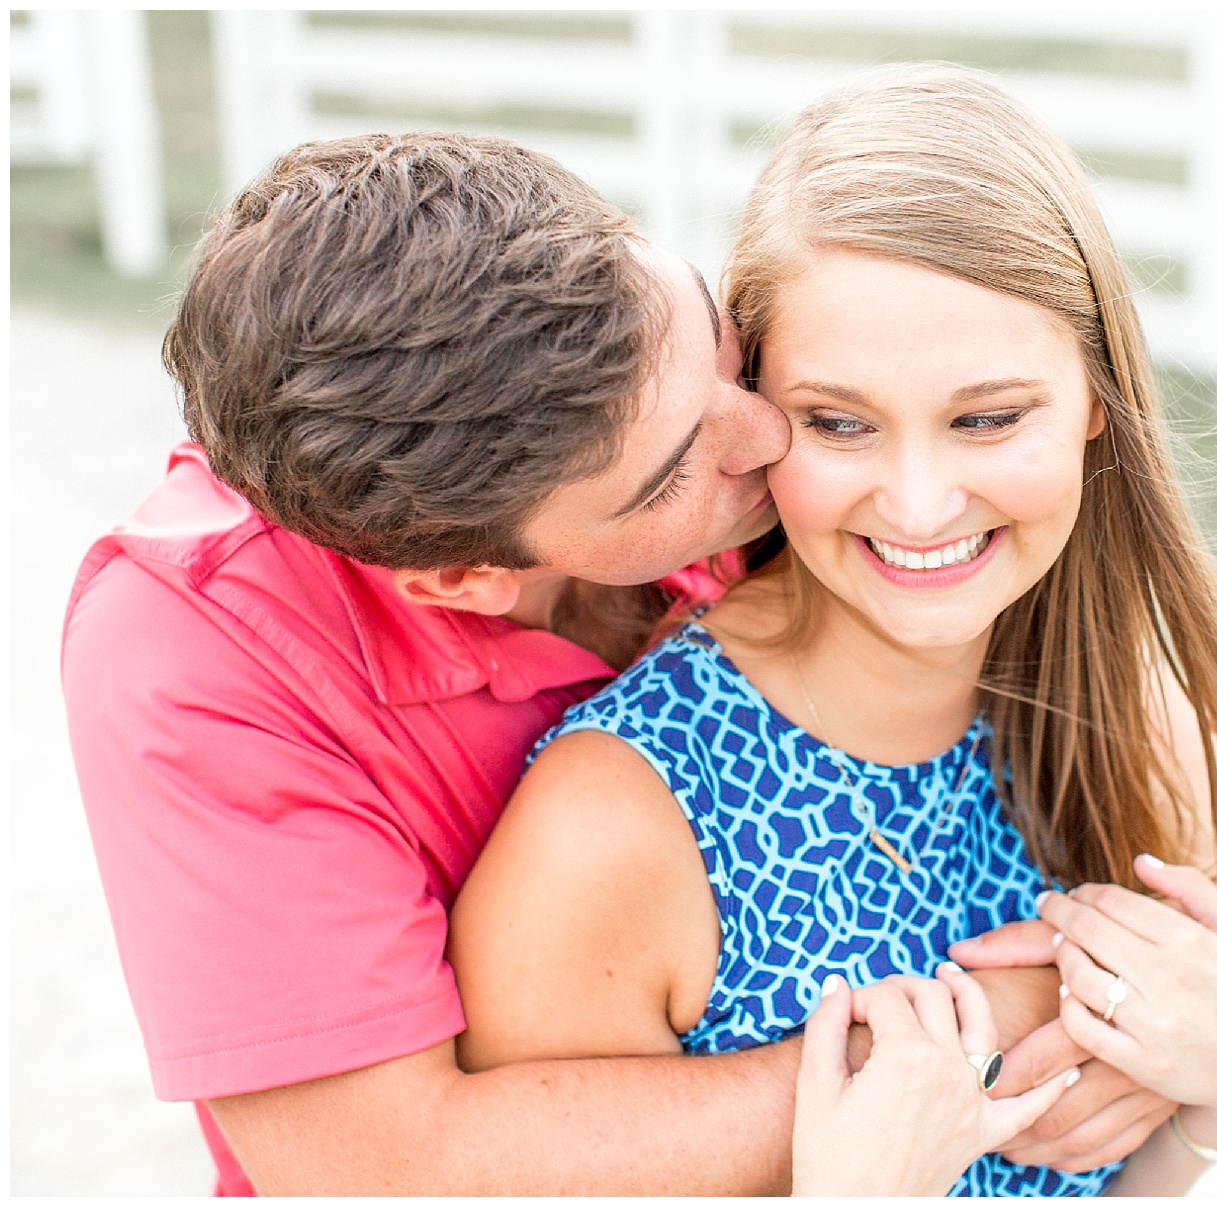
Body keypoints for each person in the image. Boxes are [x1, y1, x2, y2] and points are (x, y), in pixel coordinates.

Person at [60, 131, 1155, 1195]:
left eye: (714, 345)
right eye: (683, 464)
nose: (770, 433)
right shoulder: (194, 662)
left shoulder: (709, 426)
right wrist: (1006, 1022)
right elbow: (381, 1170)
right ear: (466, 579)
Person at [448, 67, 1217, 1196]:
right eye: (840, 422)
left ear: (1098, 399)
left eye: (988, 417)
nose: (916, 504)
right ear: (754, 412)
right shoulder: (615, 831)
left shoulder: (1132, 736)